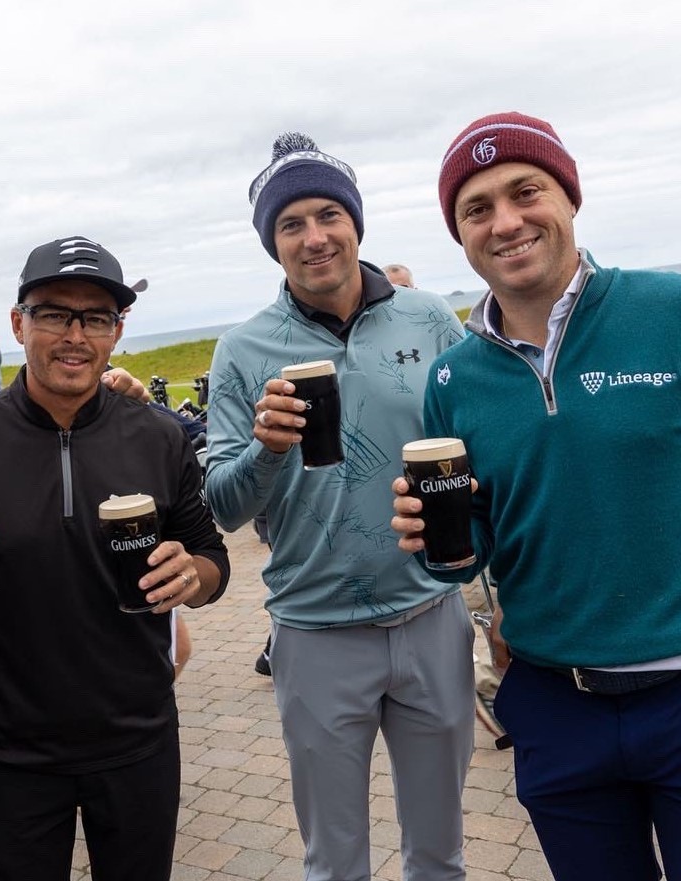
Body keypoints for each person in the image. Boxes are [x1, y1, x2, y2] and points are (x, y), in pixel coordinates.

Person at [391, 112, 681, 880]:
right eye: (476, 209)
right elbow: (478, 539)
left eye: (524, 191)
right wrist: (436, 546)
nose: (505, 222)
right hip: (554, 705)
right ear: (459, 233)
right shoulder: (452, 378)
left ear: (568, 197)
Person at [205, 132, 472, 881]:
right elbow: (224, 507)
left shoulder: (429, 320)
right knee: (334, 864)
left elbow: (481, 450)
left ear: (356, 221)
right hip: (314, 630)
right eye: (291, 224)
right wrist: (264, 448)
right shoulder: (243, 349)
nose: (314, 236)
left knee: (440, 857)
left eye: (328, 214)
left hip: (431, 616)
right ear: (272, 244)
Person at [0, 235, 230, 881]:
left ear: (117, 331)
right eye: (54, 313)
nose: (75, 334)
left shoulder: (157, 435)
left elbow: (211, 557)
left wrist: (195, 575)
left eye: (95, 317)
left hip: (138, 739)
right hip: (8, 751)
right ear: (19, 323)